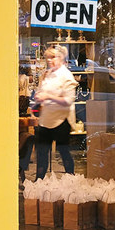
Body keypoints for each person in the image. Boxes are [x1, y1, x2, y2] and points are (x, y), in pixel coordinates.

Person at [34, 46, 78, 178]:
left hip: (61, 120)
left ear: (61, 58)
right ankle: (38, 184)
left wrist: (47, 97)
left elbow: (68, 100)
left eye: (53, 57)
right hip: (46, 119)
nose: (49, 60)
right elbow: (42, 92)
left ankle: (70, 181)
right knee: (41, 154)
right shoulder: (48, 74)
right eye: (48, 57)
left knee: (64, 152)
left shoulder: (66, 76)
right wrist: (39, 97)